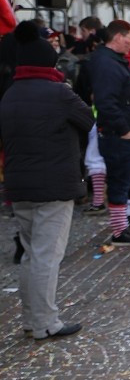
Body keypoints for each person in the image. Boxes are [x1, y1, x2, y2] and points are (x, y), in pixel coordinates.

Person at [0, 23, 94, 339]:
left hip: (20, 185)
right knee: (46, 256)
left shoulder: (11, 93)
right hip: (53, 185)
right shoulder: (57, 93)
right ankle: (44, 323)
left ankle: (31, 319)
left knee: (30, 253)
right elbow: (88, 119)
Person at [86, 20, 130, 246]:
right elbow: (107, 102)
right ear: (117, 37)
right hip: (118, 134)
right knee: (119, 182)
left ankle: (122, 226)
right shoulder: (106, 63)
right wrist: (125, 130)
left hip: (123, 131)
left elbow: (128, 91)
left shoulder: (112, 61)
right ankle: (119, 231)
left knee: (122, 182)